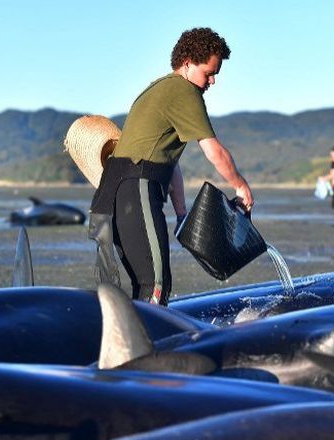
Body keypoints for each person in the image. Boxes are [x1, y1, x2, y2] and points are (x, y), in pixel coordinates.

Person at [89, 27, 254, 306]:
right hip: (135, 188)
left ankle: (134, 343)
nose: (213, 81)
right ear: (188, 64)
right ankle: (143, 348)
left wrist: (181, 214)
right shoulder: (182, 90)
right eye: (208, 73)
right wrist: (240, 185)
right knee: (154, 285)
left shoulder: (160, 89)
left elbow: (169, 162)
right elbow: (213, 150)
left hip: (116, 194)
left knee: (145, 285)